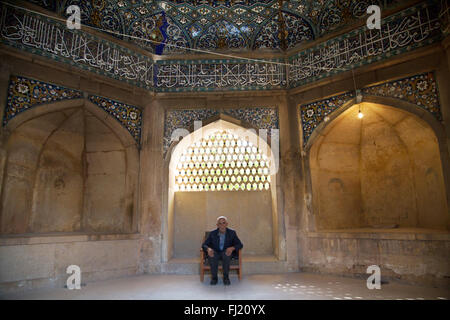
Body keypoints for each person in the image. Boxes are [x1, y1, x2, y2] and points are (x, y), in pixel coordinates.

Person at [202, 216, 243, 285]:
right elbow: (204, 245)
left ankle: (226, 278)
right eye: (220, 223)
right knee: (212, 255)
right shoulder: (212, 233)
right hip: (215, 252)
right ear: (217, 225)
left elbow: (240, 244)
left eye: (223, 223)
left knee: (226, 255)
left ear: (227, 224)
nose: (222, 225)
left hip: (226, 252)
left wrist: (232, 248)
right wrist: (208, 249)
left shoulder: (232, 233)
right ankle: (214, 278)